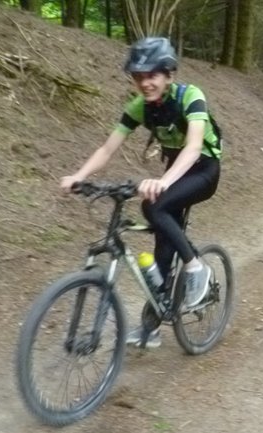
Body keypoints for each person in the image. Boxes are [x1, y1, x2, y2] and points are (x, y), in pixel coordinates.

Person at [60, 37, 222, 347]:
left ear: (168, 75)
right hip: (176, 169)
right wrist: (78, 176)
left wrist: (163, 181)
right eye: (139, 76)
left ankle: (196, 267)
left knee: (154, 207)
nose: (145, 83)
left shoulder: (191, 97)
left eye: (152, 75)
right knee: (162, 244)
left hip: (203, 169)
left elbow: (194, 147)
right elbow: (108, 148)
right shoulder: (139, 108)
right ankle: (151, 326)